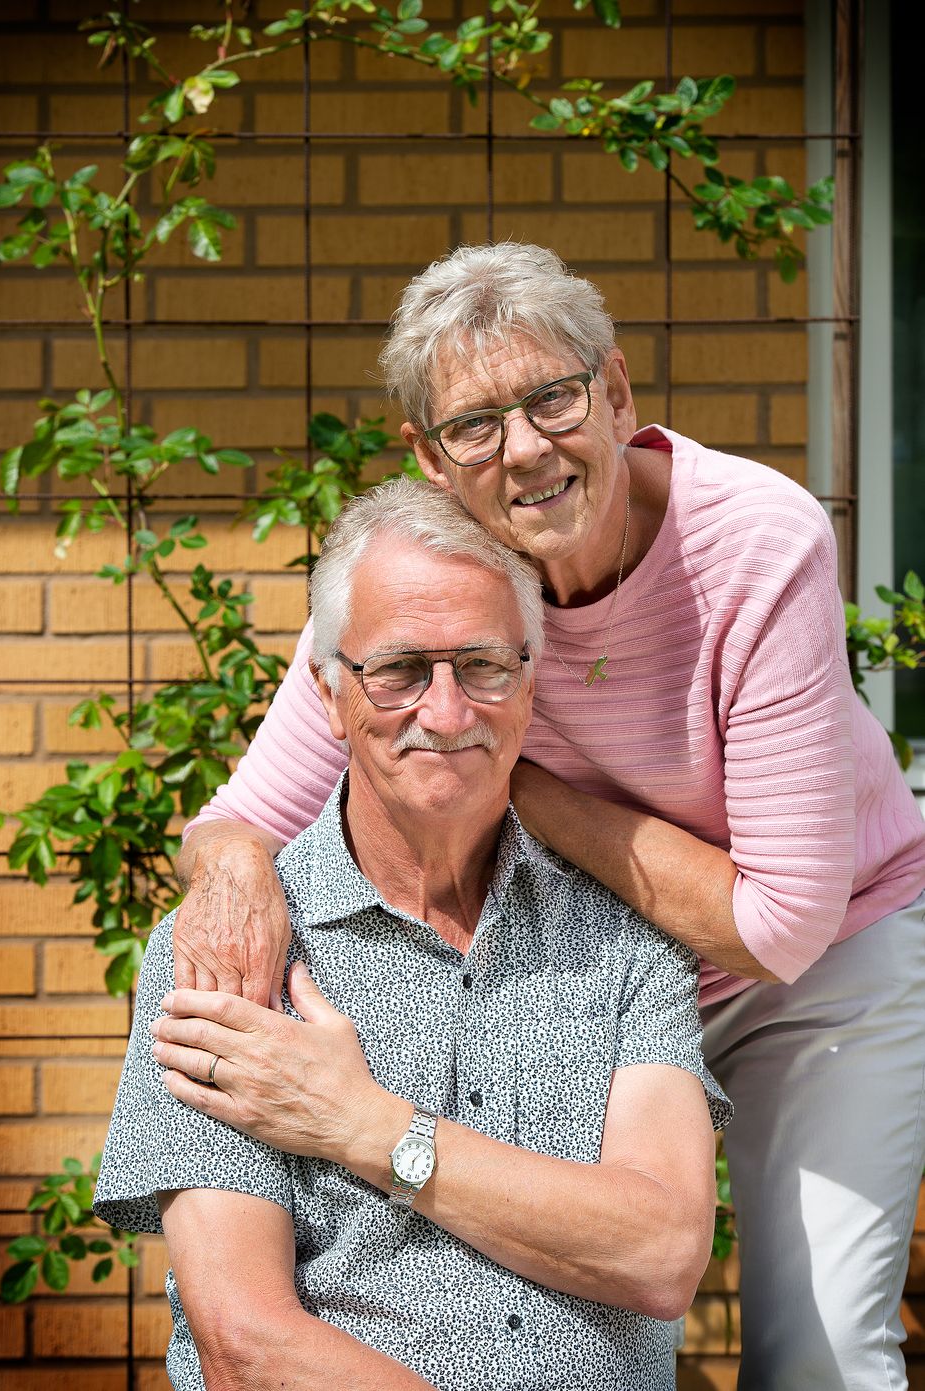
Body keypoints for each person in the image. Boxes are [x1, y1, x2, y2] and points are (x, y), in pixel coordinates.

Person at [173, 244, 925, 1391]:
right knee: (531, 1302)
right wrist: (226, 877)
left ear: (615, 393)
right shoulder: (429, 571)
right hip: (591, 970)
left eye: (552, 398)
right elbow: (245, 816)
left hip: (815, 975)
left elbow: (781, 921)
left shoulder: (755, 543)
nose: (524, 448)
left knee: (813, 1351)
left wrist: (509, 779)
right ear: (429, 459)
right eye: (474, 425)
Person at [93, 479, 730, 1391]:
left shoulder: (625, 936)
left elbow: (663, 1252)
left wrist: (369, 1126)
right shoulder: (231, 950)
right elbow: (245, 1345)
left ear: (529, 681)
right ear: (327, 689)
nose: (445, 711)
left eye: (482, 665)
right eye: (398, 670)